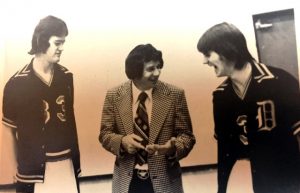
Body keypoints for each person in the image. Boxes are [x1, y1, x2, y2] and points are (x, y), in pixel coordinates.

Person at [196, 22, 300, 193]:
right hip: (253, 182)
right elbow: (225, 150)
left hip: (288, 177)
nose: (204, 61)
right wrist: (221, 189)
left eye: (208, 54)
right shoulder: (221, 96)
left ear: (227, 50)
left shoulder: (281, 81)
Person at [99, 43, 195, 193]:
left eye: (159, 67)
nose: (157, 73)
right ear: (135, 72)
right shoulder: (114, 95)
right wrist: (122, 142)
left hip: (166, 183)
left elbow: (187, 136)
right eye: (151, 69)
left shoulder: (175, 95)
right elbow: (105, 134)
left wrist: (172, 149)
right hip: (126, 183)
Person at [2, 15, 81, 193]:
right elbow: (8, 130)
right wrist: (16, 167)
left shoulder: (66, 77)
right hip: (33, 173)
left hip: (66, 166)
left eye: (63, 43)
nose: (62, 48)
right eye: (58, 43)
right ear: (42, 41)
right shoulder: (16, 84)